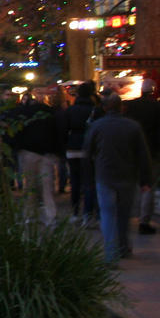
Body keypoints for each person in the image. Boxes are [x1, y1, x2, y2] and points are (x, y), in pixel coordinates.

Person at [83, 92, 154, 263]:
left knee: (107, 214)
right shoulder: (133, 126)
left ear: (105, 107)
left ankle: (111, 253)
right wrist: (146, 180)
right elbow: (143, 154)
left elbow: (87, 153)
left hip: (104, 175)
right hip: (128, 176)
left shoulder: (97, 126)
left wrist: (88, 179)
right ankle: (123, 247)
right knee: (124, 214)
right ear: (122, 107)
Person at [8, 90, 62, 223]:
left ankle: (29, 215)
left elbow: (16, 133)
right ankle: (51, 216)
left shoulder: (22, 114)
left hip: (28, 152)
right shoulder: (50, 113)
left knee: (29, 186)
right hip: (46, 153)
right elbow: (58, 133)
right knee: (47, 186)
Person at [124, 80, 160, 235]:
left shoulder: (132, 106)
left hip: (132, 151)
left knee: (132, 184)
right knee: (149, 185)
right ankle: (144, 221)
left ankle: (127, 215)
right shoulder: (158, 107)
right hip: (151, 151)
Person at [61, 81, 99, 222]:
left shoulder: (70, 110)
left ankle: (75, 212)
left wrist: (65, 145)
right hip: (90, 149)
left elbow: (63, 130)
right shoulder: (95, 110)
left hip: (73, 148)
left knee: (75, 181)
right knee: (89, 181)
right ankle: (88, 213)